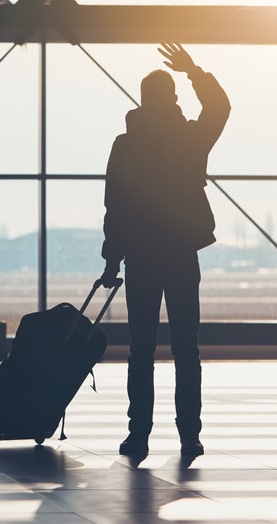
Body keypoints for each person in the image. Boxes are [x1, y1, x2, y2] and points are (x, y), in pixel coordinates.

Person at [99, 41, 231, 457]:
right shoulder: (189, 139)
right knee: (186, 349)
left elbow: (115, 204)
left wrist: (112, 259)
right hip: (180, 254)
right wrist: (193, 71)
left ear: (142, 100)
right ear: (173, 99)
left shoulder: (126, 145)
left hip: (140, 257)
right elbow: (220, 108)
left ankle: (138, 433)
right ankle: (189, 434)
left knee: (141, 350)